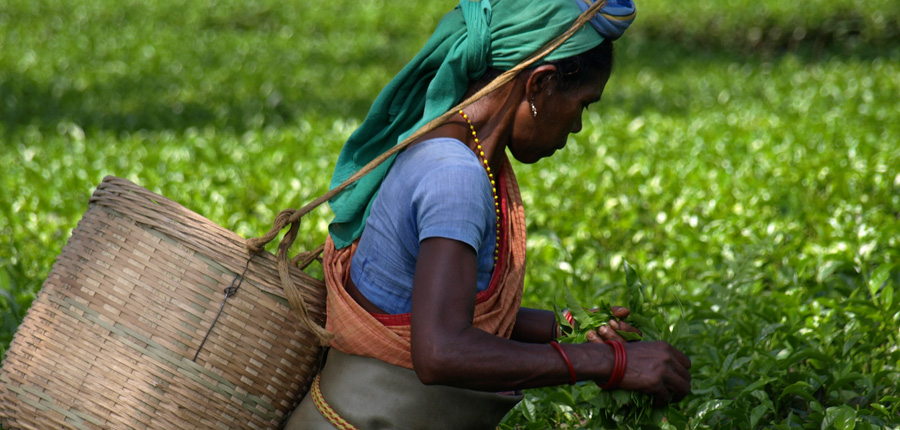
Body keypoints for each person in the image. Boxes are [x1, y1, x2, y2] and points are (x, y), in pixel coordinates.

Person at [285, 0, 691, 428]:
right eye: (583, 104)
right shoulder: (455, 175)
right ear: (540, 85)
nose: (577, 127)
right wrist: (605, 362)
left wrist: (570, 327)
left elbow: (437, 308)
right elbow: (441, 351)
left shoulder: (451, 149)